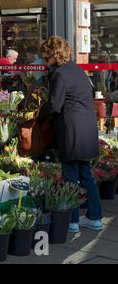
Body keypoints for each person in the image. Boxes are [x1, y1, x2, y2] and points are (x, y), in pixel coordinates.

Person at [38, 35, 102, 232]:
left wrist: (39, 117)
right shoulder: (76, 70)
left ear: (54, 56)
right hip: (86, 129)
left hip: (71, 130)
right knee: (86, 175)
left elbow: (55, 105)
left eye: (45, 57)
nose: (43, 61)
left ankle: (72, 222)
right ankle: (95, 217)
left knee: (70, 178)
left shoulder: (60, 74)